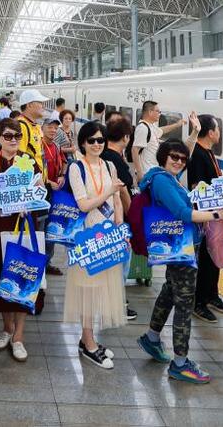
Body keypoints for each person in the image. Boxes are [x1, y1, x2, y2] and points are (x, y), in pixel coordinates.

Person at [136, 140, 223, 384]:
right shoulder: (162, 181)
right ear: (163, 156)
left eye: (183, 159)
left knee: (170, 292)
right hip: (181, 249)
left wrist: (193, 134)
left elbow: (183, 197)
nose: (179, 162)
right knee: (185, 304)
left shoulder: (165, 177)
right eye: (174, 157)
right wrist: (219, 214)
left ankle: (151, 338)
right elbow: (184, 214)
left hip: (178, 247)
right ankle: (180, 364)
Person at [0, 118, 45, 362]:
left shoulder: (29, 163)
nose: (13, 140)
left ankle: (19, 336)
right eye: (8, 136)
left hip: (22, 228)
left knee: (22, 275)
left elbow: (39, 194)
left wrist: (35, 196)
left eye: (16, 136)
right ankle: (6, 328)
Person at [63, 121, 125, 369]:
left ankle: (88, 339)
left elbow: (118, 200)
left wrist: (120, 228)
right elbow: (83, 205)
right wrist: (108, 191)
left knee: (100, 289)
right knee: (87, 291)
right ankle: (88, 343)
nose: (97, 145)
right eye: (92, 141)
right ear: (83, 143)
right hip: (88, 236)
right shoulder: (77, 168)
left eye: (100, 140)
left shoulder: (109, 165)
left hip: (108, 236)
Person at [188, 114, 223, 322]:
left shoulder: (209, 153)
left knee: (213, 257)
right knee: (205, 258)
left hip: (215, 215)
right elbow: (196, 188)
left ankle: (211, 294)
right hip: (205, 216)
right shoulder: (197, 154)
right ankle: (199, 302)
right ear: (211, 133)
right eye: (217, 129)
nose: (219, 133)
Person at [102, 118, 139, 321]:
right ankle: (115, 304)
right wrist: (131, 216)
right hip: (119, 219)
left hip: (109, 217)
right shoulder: (114, 159)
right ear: (125, 137)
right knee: (121, 262)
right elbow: (123, 191)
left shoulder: (106, 156)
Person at [130, 101, 191, 184]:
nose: (160, 114)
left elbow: (162, 130)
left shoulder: (150, 126)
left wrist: (177, 124)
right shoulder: (143, 128)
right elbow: (135, 150)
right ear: (150, 112)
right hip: (146, 173)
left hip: (152, 171)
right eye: (158, 111)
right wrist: (140, 173)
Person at [41, 116, 66, 276]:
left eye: (55, 128)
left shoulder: (56, 145)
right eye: (50, 126)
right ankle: (38, 262)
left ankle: (47, 262)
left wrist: (62, 175)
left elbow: (64, 162)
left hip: (55, 193)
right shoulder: (38, 146)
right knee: (40, 228)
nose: (53, 130)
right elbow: (34, 169)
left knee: (52, 229)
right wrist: (49, 181)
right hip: (42, 191)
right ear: (42, 128)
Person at [14, 89, 48, 171]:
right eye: (40, 103)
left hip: (40, 180)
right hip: (32, 180)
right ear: (29, 105)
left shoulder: (35, 126)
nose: (43, 106)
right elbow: (19, 159)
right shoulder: (22, 126)